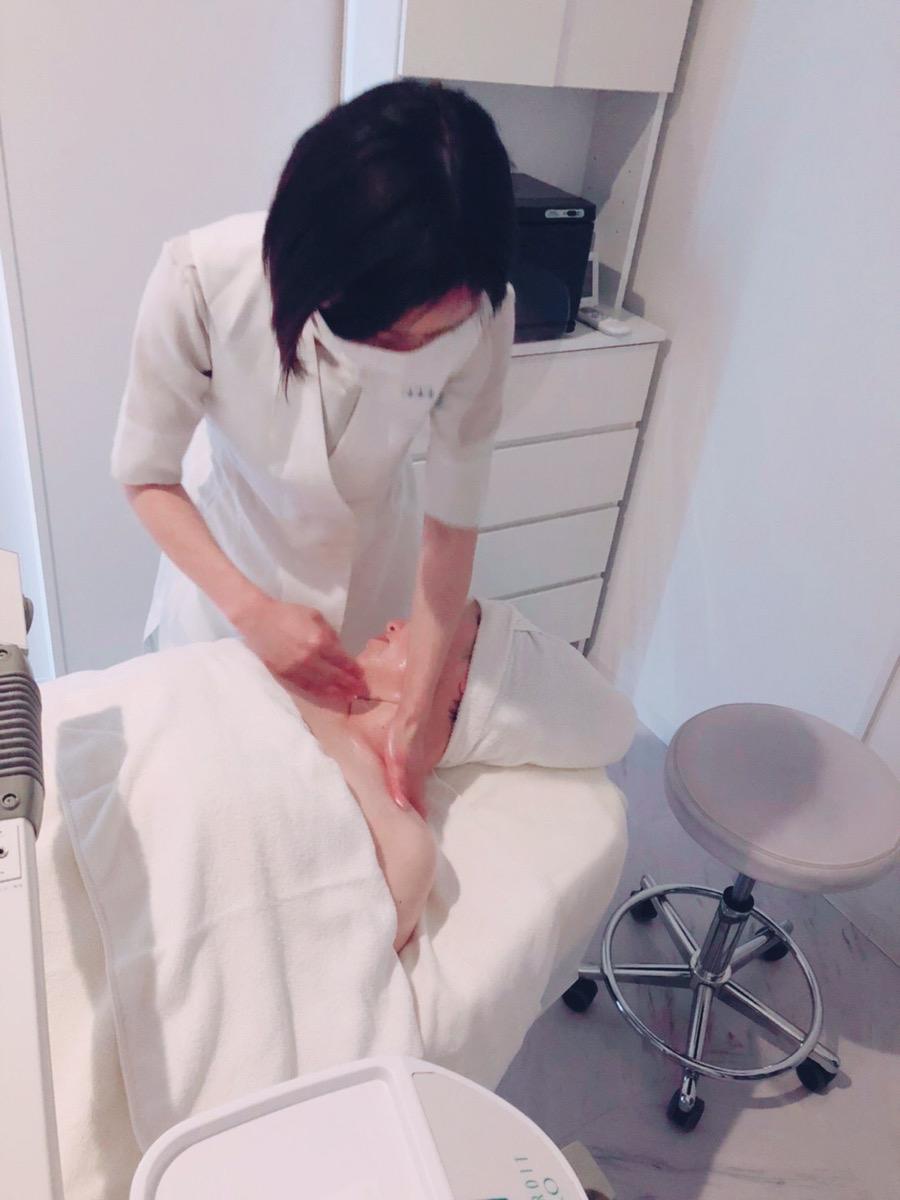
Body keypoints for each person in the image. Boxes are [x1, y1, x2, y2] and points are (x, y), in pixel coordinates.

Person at [111, 80, 516, 813]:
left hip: (378, 561)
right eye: (389, 337)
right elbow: (145, 477)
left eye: (435, 336)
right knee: (223, 788)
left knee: (338, 800)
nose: (412, 356)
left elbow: (453, 524)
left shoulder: (484, 311)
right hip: (235, 569)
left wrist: (418, 704)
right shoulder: (202, 281)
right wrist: (252, 611)